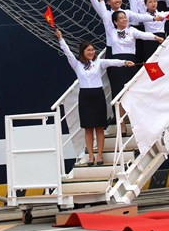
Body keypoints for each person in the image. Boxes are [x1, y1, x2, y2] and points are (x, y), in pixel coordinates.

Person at [55, 28, 132, 165]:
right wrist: (61, 39)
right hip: (85, 97)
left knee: (99, 128)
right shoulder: (77, 64)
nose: (91, 52)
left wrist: (124, 62)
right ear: (83, 52)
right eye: (88, 50)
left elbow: (111, 62)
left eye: (92, 50)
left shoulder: (98, 63)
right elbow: (67, 52)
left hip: (98, 96)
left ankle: (100, 155)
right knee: (88, 128)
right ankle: (91, 156)